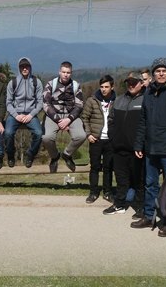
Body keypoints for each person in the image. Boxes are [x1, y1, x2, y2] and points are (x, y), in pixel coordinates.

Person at [131, 57, 166, 237]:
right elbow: (143, 121)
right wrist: (139, 143)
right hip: (151, 147)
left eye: (164, 71)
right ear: (153, 73)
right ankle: (149, 216)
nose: (161, 74)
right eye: (157, 71)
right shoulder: (148, 92)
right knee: (150, 184)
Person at [102, 72, 146, 218]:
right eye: (129, 82)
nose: (131, 85)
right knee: (121, 178)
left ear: (141, 83)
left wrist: (142, 144)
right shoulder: (119, 100)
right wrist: (113, 138)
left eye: (134, 82)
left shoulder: (147, 100)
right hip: (119, 147)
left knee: (139, 180)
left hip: (137, 149)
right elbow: (111, 120)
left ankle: (141, 207)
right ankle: (119, 204)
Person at [42, 61, 86, 173]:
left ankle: (67, 154)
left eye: (68, 72)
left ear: (71, 73)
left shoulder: (76, 85)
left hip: (71, 115)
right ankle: (55, 156)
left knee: (81, 136)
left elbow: (79, 105)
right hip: (53, 115)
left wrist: (68, 119)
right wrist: (58, 119)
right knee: (47, 138)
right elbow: (46, 104)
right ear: (59, 72)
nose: (65, 74)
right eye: (63, 72)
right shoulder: (51, 84)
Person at [4, 57, 43, 168]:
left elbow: (40, 103)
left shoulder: (37, 82)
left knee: (39, 134)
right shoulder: (13, 82)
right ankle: (11, 155)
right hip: (15, 114)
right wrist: (16, 115)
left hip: (31, 114)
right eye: (22, 66)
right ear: (19, 68)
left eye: (27, 66)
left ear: (30, 67)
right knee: (8, 133)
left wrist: (31, 115)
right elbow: (8, 103)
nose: (25, 68)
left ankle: (30, 155)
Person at [82, 74, 116, 203]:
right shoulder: (92, 100)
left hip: (110, 140)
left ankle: (107, 192)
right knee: (95, 167)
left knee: (108, 167)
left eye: (107, 87)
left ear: (112, 87)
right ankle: (93, 192)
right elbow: (84, 117)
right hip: (95, 138)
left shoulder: (117, 101)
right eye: (102, 86)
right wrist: (88, 134)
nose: (104, 89)